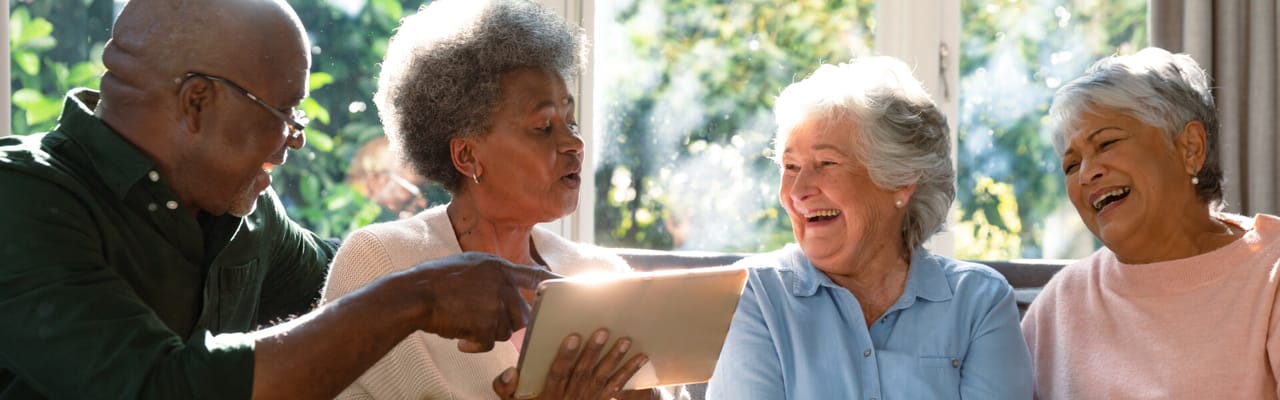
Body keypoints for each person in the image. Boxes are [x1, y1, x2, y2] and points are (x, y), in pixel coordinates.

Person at [0, 0, 558, 398]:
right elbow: (159, 386)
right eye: (285, 114)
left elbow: (356, 287)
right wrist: (418, 297)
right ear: (197, 102)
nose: (295, 139)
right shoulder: (20, 197)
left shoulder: (247, 216)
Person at [319, 1, 671, 399]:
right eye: (543, 126)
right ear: (467, 155)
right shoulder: (380, 263)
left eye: (570, 122)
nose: (574, 142)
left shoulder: (602, 275)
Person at [706, 57, 1034, 399]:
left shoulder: (978, 301)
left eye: (826, 163)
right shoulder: (751, 293)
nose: (798, 191)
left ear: (902, 180)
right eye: (790, 166)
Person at [1021, 47, 1280, 399]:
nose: (1086, 174)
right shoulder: (1060, 302)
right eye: (1070, 165)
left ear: (1190, 148)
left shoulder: (1271, 275)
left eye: (1107, 143)